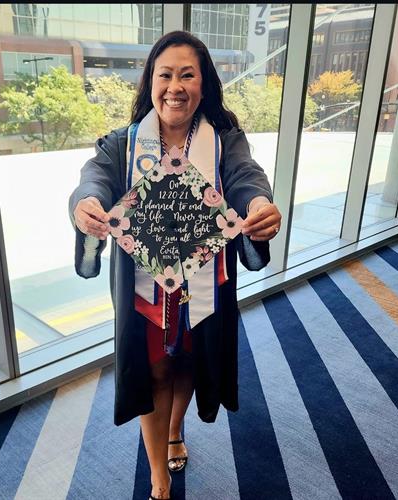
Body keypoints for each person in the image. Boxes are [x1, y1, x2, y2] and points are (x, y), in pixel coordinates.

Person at [69, 31, 282, 500]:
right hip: (146, 290)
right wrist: (87, 202)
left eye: (188, 75)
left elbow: (246, 176)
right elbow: (95, 177)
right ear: (150, 83)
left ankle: (175, 429)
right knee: (154, 372)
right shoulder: (124, 145)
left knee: (188, 363)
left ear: (204, 86)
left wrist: (259, 203)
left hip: (203, 282)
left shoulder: (223, 142)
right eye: (165, 75)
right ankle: (158, 475)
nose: (175, 86)